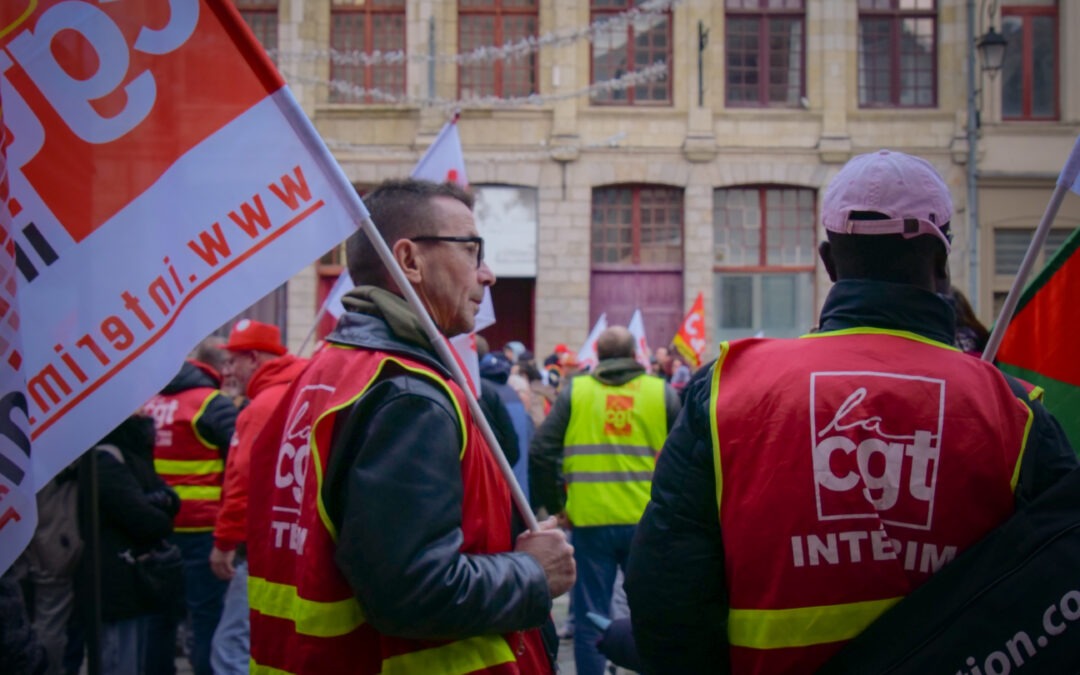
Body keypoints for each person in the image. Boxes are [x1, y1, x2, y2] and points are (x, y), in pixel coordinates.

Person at [624, 149, 1078, 674]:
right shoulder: (1013, 413)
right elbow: (1060, 590)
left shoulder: (728, 389)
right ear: (941, 260)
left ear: (828, 261)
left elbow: (664, 593)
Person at [245, 178, 575, 674]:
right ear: (409, 259)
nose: (488, 275)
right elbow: (414, 590)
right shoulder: (407, 394)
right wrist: (531, 572)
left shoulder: (322, 373)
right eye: (471, 250)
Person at [530, 325, 681, 675]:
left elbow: (541, 451)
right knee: (652, 615)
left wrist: (557, 507)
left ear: (596, 355)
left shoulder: (576, 392)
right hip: (647, 522)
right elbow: (687, 458)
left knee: (588, 617)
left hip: (590, 522)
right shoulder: (662, 393)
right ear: (635, 356)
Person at [208, 319, 308, 674]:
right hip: (297, 546)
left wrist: (223, 543)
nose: (228, 369)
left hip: (262, 549)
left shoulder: (260, 407)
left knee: (230, 646)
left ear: (253, 358)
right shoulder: (303, 391)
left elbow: (242, 484)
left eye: (233, 360)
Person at [142, 337, 238, 675]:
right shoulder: (214, 404)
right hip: (202, 530)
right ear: (220, 368)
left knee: (159, 618)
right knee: (206, 618)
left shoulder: (150, 402)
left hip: (156, 527)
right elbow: (237, 468)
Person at [76, 413, 181, 675]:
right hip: (116, 580)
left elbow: (171, 497)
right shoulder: (105, 459)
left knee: (133, 655)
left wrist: (160, 502)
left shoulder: (132, 451)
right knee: (118, 657)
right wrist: (160, 505)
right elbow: (147, 519)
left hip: (135, 578)